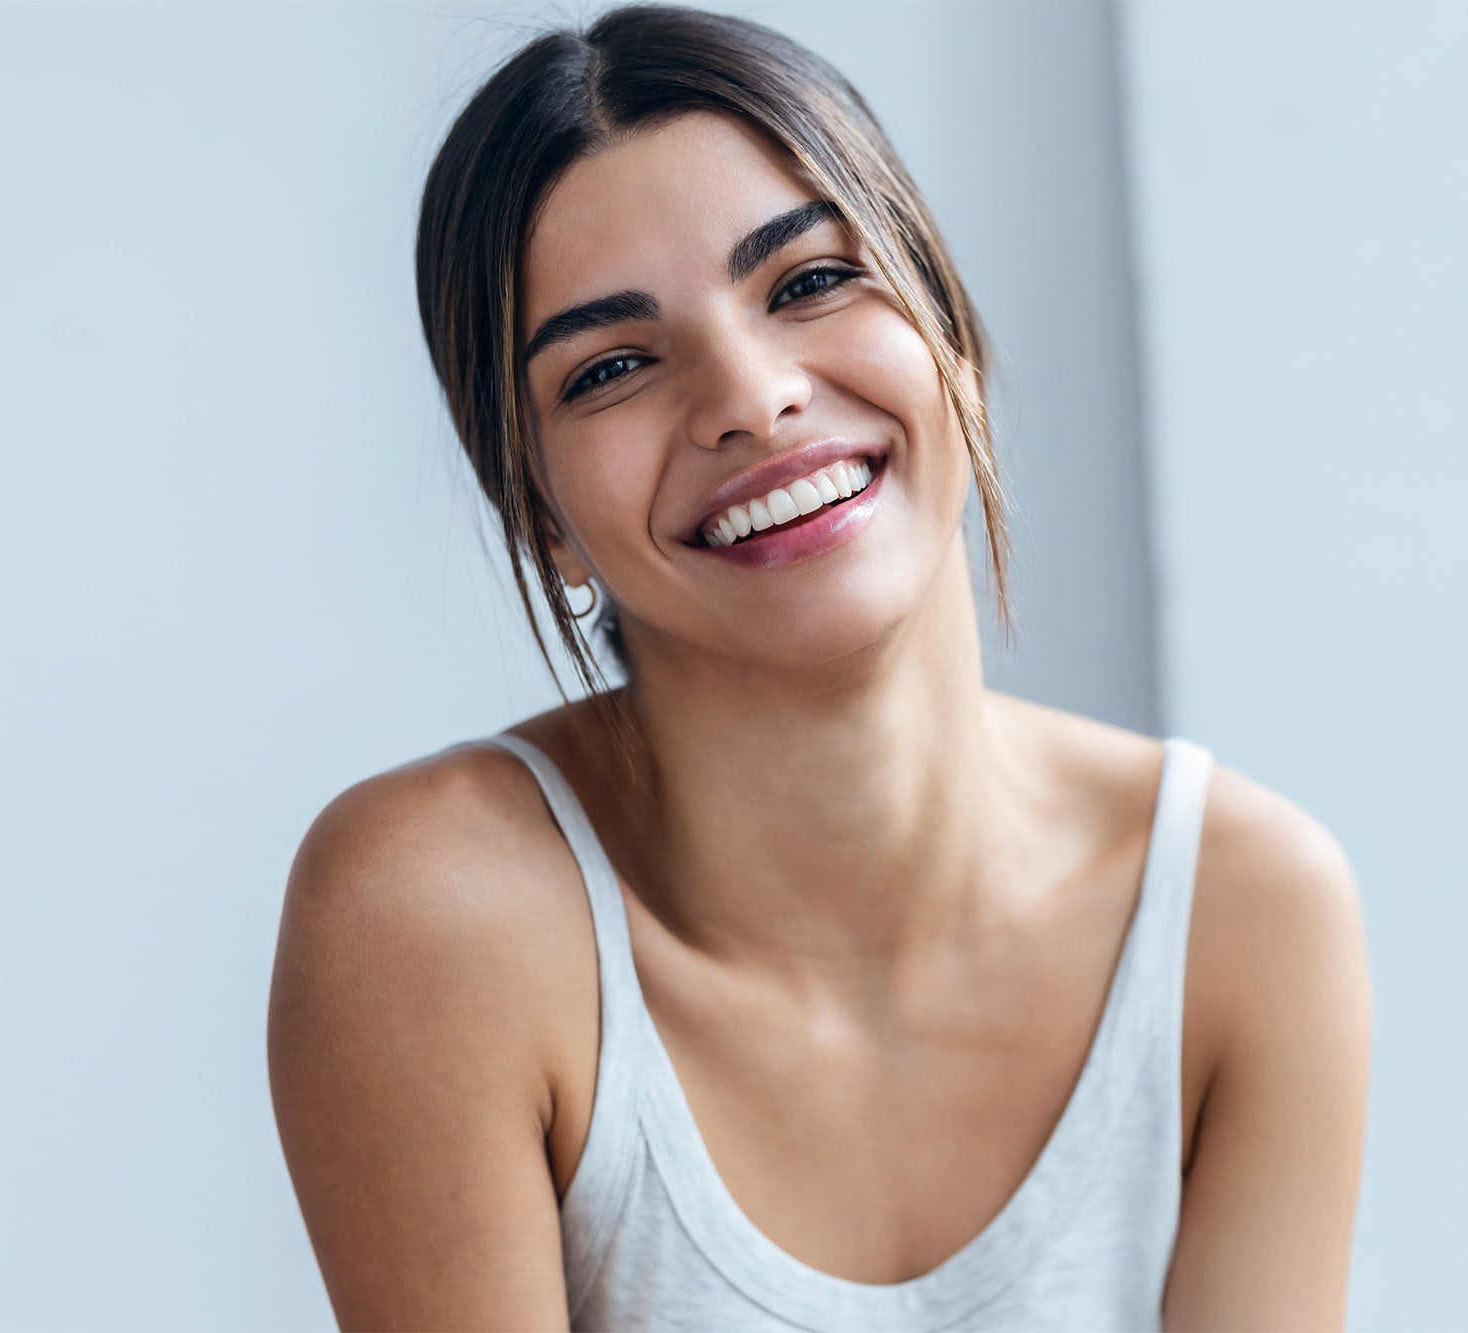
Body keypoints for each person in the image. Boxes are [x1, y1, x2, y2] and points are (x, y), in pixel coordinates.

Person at [266, 5, 1372, 1329]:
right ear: (542, 518)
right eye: (613, 366)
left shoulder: (1242, 907)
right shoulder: (435, 914)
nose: (751, 395)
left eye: (808, 282)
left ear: (951, 342)